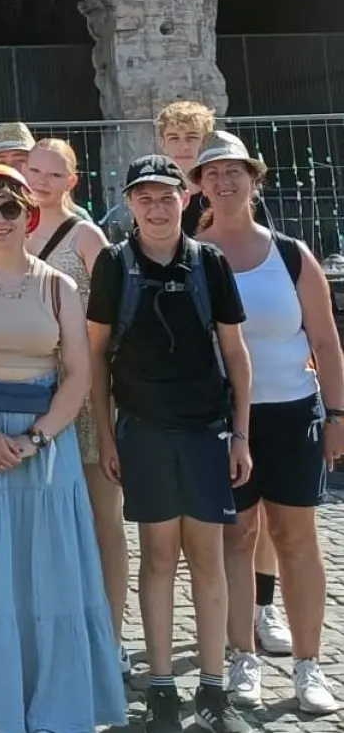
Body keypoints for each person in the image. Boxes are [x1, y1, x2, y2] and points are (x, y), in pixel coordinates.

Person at [0, 164, 126, 733]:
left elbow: (78, 374)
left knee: (51, 569)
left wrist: (36, 437)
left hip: (47, 441)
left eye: (9, 208)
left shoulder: (58, 285)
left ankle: (55, 697)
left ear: (28, 213)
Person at [87, 155, 254, 733]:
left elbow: (235, 354)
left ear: (185, 200)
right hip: (145, 429)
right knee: (158, 556)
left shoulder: (209, 263)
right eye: (144, 198)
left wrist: (241, 434)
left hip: (206, 429)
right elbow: (95, 357)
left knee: (207, 557)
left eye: (165, 197)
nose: (156, 208)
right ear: (130, 204)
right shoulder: (115, 264)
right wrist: (107, 436)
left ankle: (212, 689)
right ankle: (161, 685)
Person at [192, 133, 342, 714]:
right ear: (199, 185)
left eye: (236, 172)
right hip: (221, 420)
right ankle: (241, 657)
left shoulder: (290, 254)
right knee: (235, 538)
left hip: (291, 412)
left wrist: (337, 413)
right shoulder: (191, 253)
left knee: (296, 539)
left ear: (255, 180)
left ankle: (308, 665)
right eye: (213, 174)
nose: (225, 183)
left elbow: (326, 341)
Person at [22, 139, 124, 658]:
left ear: (71, 181)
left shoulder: (86, 235)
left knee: (102, 513)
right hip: (32, 390)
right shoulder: (10, 228)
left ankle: (110, 633)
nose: (39, 181)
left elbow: (112, 311)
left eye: (51, 174)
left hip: (84, 392)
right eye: (32, 170)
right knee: (48, 519)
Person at [100, 100, 269, 241]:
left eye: (192, 137)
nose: (184, 146)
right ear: (162, 142)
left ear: (206, 141)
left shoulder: (234, 192)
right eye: (174, 138)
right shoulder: (155, 198)